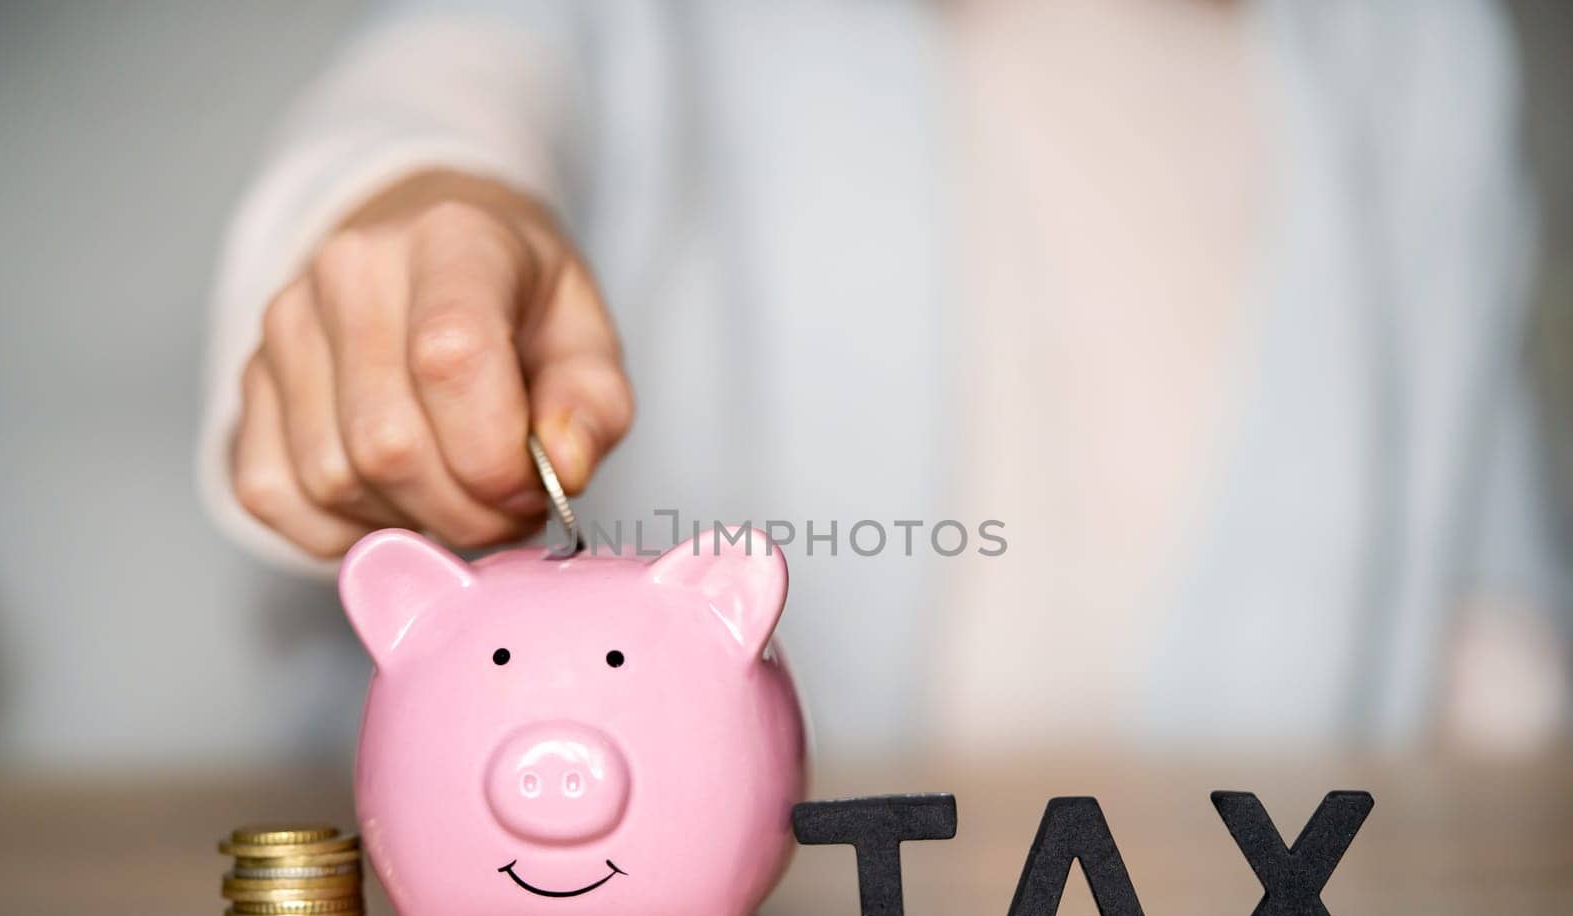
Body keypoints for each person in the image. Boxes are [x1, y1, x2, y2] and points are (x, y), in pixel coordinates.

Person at [201, 0, 1568, 754]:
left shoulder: (1423, 52)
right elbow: (457, 66)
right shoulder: (680, 31)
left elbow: (1480, 560)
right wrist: (410, 201)